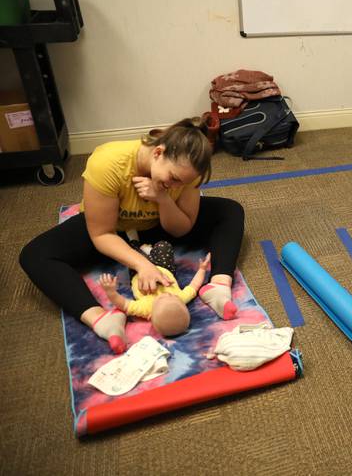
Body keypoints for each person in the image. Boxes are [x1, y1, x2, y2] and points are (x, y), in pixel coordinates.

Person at [19, 118, 244, 354]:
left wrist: (163, 198)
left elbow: (181, 229)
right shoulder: (108, 162)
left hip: (157, 227)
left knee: (230, 211)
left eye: (182, 183)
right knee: (34, 255)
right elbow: (101, 233)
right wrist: (142, 264)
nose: (176, 185)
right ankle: (102, 319)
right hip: (114, 231)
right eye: (174, 178)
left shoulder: (188, 171)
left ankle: (218, 288)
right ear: (158, 152)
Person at [98, 246, 213, 339]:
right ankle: (149, 251)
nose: (166, 294)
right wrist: (202, 269)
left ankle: (141, 247)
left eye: (162, 298)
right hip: (164, 268)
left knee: (131, 249)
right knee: (164, 246)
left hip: (139, 272)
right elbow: (194, 285)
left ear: (150, 315)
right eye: (172, 296)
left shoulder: (145, 308)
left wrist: (110, 292)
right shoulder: (181, 298)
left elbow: (123, 304)